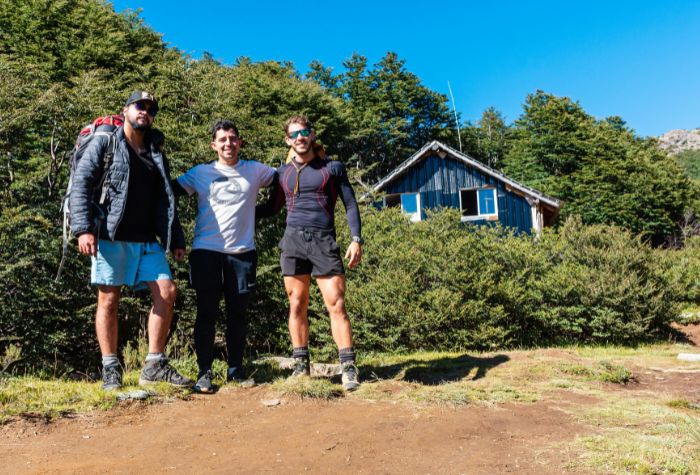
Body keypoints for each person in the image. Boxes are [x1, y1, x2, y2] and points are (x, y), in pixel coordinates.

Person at [70, 90, 191, 391]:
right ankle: (110, 366)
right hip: (111, 234)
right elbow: (81, 183)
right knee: (109, 300)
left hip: (147, 238)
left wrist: (175, 237)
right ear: (126, 110)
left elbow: (165, 199)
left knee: (167, 291)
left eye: (151, 109)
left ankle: (154, 364)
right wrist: (83, 228)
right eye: (140, 106)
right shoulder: (106, 141)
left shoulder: (155, 151)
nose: (145, 112)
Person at [260, 115, 363, 391]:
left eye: (304, 132)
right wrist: (235, 212)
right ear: (287, 140)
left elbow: (350, 204)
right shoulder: (282, 173)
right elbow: (271, 208)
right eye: (294, 134)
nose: (300, 138)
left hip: (323, 241)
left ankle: (348, 368)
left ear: (312, 134)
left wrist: (356, 239)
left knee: (336, 304)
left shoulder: (332, 168)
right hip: (293, 241)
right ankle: (301, 367)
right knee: (296, 304)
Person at [172, 120, 276, 393]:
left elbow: (287, 178)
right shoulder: (200, 173)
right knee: (206, 314)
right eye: (222, 139)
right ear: (214, 145)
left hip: (241, 253)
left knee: (237, 315)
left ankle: (235, 370)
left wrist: (266, 210)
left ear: (240, 142)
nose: (228, 143)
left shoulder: (255, 170)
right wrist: (175, 235)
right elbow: (169, 192)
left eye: (233, 138)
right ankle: (204, 372)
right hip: (206, 251)